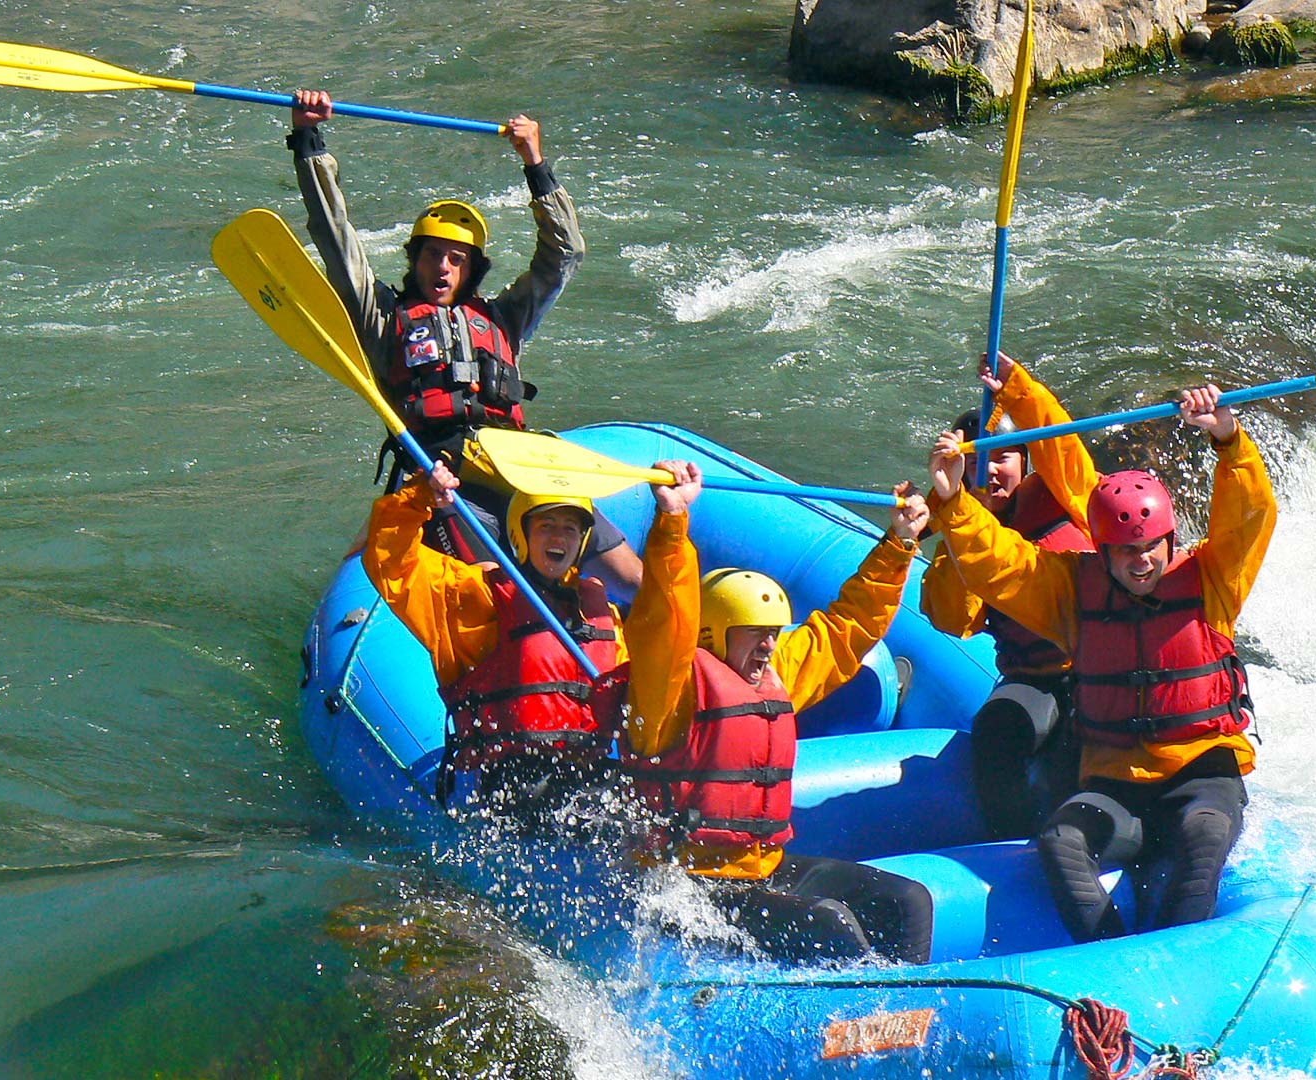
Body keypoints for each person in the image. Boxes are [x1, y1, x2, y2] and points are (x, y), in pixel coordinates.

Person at [926, 384, 1274, 943]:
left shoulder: (1212, 580)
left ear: (1169, 539)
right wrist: (954, 505)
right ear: (1103, 548)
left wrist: (1228, 441)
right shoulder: (1071, 592)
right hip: (1119, 781)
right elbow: (1000, 566)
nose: (1141, 563)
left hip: (1201, 772)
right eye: (1126, 551)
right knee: (1061, 840)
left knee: (1203, 840)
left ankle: (1171, 962)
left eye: (1151, 548)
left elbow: (1249, 517)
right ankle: (1110, 959)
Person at [288, 89, 641, 591]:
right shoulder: (382, 314)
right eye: (433, 255)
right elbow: (335, 238)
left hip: (516, 466)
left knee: (631, 576)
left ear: (473, 269)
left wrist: (535, 164)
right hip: (440, 481)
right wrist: (308, 140)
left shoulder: (504, 317)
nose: (443, 267)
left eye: (457, 259)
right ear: (414, 260)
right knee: (497, 585)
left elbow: (565, 254)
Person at [617, 472, 937, 965]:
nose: (768, 644)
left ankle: (901, 1019)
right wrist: (673, 523)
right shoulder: (669, 689)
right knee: (832, 924)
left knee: (908, 902)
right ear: (713, 634)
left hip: (759, 868)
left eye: (772, 632)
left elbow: (846, 628)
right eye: (753, 633)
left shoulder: (777, 672)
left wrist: (899, 543)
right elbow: (663, 617)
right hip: (685, 883)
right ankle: (848, 1029)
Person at [359, 458, 697, 824]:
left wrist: (673, 521)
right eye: (546, 525)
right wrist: (419, 497)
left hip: (591, 782)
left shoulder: (603, 616)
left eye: (570, 528)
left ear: (582, 540)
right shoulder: (478, 598)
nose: (558, 537)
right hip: (513, 789)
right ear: (522, 535)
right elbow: (391, 563)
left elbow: (669, 629)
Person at [920, 355, 1098, 839]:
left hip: (1098, 672)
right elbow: (952, 618)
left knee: (1078, 762)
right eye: (975, 463)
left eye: (1000, 457)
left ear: (1024, 461)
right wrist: (954, 506)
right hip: (1032, 678)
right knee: (997, 731)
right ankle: (1007, 845)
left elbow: (1060, 440)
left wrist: (1016, 389)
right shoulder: (962, 529)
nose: (989, 473)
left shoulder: (1066, 495)